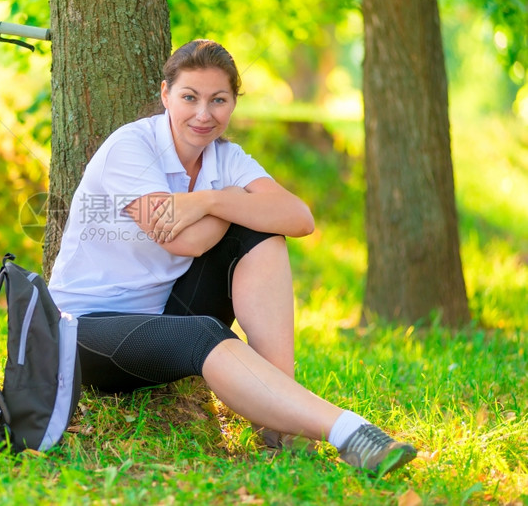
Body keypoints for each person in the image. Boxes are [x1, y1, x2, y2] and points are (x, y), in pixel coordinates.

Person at [47, 39, 416, 476]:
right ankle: (348, 432)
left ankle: (280, 428)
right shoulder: (131, 147)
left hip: (161, 313)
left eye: (218, 100)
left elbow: (298, 217)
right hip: (85, 330)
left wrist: (209, 201)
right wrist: (233, 200)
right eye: (189, 97)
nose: (204, 114)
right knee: (204, 329)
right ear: (165, 95)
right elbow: (180, 242)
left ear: (233, 103)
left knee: (262, 235)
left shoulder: (226, 158)